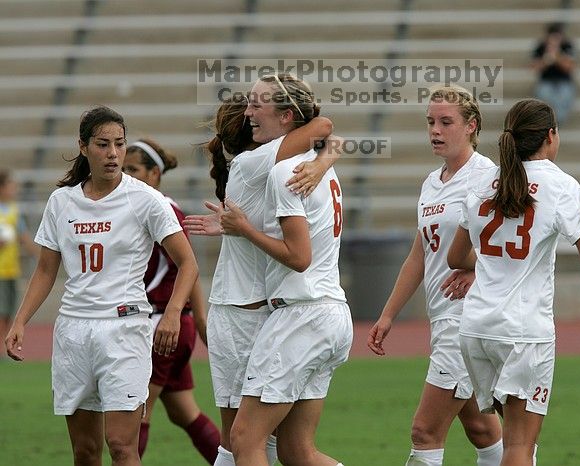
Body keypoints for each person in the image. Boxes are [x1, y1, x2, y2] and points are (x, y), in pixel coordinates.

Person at [4, 106, 199, 466]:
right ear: (83, 147)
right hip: (74, 333)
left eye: (119, 144)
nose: (113, 154)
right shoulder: (62, 201)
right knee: (85, 451)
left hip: (125, 330)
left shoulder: (146, 200)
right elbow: (46, 270)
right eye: (103, 144)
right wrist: (20, 322)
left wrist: (172, 313)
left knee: (122, 446)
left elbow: (188, 263)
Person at [447, 99, 580, 466]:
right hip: (523, 332)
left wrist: (483, 263)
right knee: (520, 445)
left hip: (477, 328)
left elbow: (456, 258)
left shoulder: (483, 180)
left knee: (516, 439)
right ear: (550, 136)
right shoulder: (559, 184)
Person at [183, 75, 340, 466]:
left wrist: (324, 157)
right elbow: (324, 129)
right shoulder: (271, 166)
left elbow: (323, 128)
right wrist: (325, 159)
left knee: (241, 442)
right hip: (285, 310)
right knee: (287, 449)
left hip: (261, 312)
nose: (253, 113)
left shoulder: (269, 168)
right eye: (249, 107)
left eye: (258, 106)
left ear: (285, 119)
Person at [367, 86, 504, 466]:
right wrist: (389, 314)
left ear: (471, 126)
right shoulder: (432, 183)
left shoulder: (488, 178)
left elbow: (509, 245)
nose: (435, 130)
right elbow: (419, 255)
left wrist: (477, 271)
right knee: (482, 428)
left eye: (446, 122)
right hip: (444, 316)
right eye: (430, 122)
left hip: (469, 319)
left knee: (424, 431)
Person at [122, 138, 220, 464]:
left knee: (136, 418)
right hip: (175, 325)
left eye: (133, 169)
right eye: (124, 168)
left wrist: (193, 319)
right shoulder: (142, 206)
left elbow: (186, 267)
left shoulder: (159, 209)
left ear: (154, 173)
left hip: (161, 325)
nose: (126, 174)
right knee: (185, 414)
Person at [0, 169, 40, 349]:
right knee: (1, 311)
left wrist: (40, 257)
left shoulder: (14, 211)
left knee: (9, 311)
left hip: (11, 270)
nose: (14, 188)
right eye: (10, 185)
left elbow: (24, 237)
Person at [531, 23, 576, 126]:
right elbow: (534, 67)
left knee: (564, 95)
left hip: (564, 82)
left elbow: (569, 67)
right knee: (544, 94)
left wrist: (557, 56)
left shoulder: (567, 46)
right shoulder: (540, 47)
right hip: (546, 82)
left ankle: (556, 122)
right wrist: (546, 59)